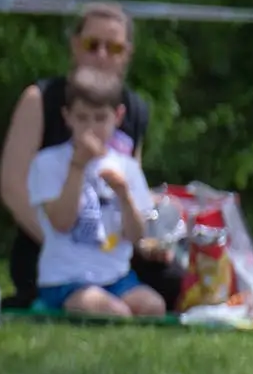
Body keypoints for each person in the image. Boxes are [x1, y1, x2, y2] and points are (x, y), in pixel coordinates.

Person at [0, 3, 154, 307]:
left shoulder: (134, 109)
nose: (102, 55)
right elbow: (13, 188)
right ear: (75, 45)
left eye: (114, 48)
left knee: (167, 285)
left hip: (112, 255)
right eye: (92, 45)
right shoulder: (40, 99)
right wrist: (65, 247)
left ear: (127, 54)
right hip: (50, 249)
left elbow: (133, 189)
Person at [25, 68, 165, 317]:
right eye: (82, 118)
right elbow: (61, 223)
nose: (91, 127)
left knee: (153, 306)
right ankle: (57, 305)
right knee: (114, 312)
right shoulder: (48, 163)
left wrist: (124, 195)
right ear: (67, 117)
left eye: (100, 118)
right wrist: (77, 166)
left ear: (118, 116)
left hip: (116, 277)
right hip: (65, 279)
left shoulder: (127, 167)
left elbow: (136, 236)